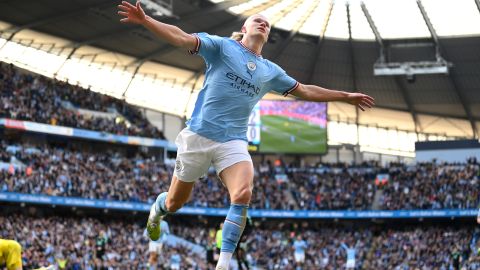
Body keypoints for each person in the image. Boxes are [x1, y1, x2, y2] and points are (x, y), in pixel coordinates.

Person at [117, 2, 374, 269]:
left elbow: (306, 91)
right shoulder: (222, 48)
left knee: (242, 194)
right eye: (257, 20)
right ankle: (156, 212)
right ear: (244, 28)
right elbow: (182, 38)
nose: (263, 23)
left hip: (233, 141)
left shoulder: (270, 71)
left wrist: (345, 96)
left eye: (267, 23)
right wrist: (147, 21)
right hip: (198, 137)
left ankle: (223, 264)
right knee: (175, 202)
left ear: (267, 35)